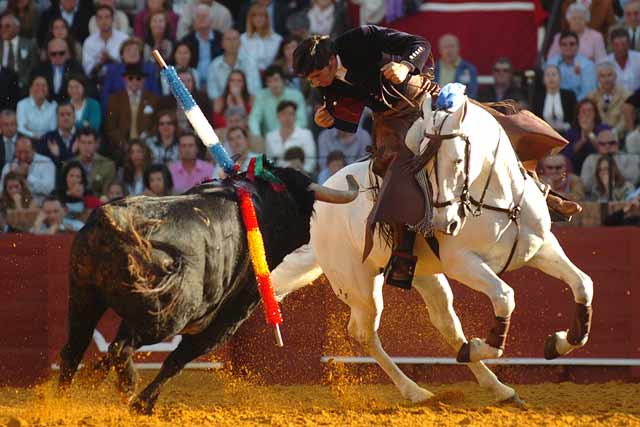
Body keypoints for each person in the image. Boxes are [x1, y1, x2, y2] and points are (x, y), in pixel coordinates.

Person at [293, 27, 439, 288]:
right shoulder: (324, 84)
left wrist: (405, 66)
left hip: (420, 95)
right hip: (389, 120)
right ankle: (403, 249)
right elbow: (342, 116)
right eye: (310, 80)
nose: (314, 83)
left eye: (316, 76)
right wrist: (326, 119)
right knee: (386, 166)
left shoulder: (360, 38)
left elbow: (421, 41)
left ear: (331, 61)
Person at [105, 62, 159, 159]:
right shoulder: (114, 99)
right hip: (121, 147)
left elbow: (155, 124)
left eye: (138, 78)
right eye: (130, 78)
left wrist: (145, 140)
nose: (134, 81)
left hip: (146, 146)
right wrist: (124, 145)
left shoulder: (152, 99)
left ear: (143, 80)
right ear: (124, 79)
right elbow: (111, 128)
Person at [101, 37, 161, 108]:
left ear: (140, 54)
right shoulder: (112, 70)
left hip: (144, 108)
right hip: (119, 108)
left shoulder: (149, 69)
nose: (132, 52)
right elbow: (105, 96)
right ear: (122, 55)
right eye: (128, 50)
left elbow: (155, 94)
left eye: (136, 50)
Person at [249, 64, 307, 136]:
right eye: (269, 81)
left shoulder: (296, 95)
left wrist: (289, 133)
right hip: (270, 139)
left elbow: (302, 121)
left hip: (294, 135)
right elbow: (254, 119)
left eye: (276, 80)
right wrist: (257, 135)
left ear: (283, 80)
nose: (274, 84)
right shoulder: (261, 96)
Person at [580, 128, 639, 195]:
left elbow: (634, 179)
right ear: (597, 145)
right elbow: (585, 183)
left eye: (611, 143)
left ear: (617, 144)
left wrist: (613, 170)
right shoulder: (590, 160)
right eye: (603, 144)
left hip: (624, 193)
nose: (607, 146)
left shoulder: (629, 158)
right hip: (597, 194)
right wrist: (602, 180)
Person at [206, 29, 261, 100]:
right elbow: (212, 93)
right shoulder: (214, 65)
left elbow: (255, 89)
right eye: (228, 39)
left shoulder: (250, 62)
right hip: (223, 103)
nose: (232, 42)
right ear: (222, 44)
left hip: (246, 102)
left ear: (240, 43)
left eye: (235, 39)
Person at [178, 4, 223, 88]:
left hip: (216, 81)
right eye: (198, 17)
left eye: (204, 16)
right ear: (194, 21)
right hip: (194, 82)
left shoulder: (220, 39)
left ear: (211, 20)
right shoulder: (186, 40)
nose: (201, 19)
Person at [0, 135, 55, 203]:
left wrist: (27, 176)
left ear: (34, 150)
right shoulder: (8, 166)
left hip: (39, 207)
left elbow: (48, 189)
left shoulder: (46, 162)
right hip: (13, 207)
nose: (23, 156)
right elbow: (1, 191)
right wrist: (10, 179)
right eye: (19, 152)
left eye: (26, 152)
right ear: (15, 151)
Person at [265, 100, 316, 173]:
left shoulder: (306, 134)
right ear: (278, 116)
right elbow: (269, 161)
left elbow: (311, 163)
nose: (287, 117)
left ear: (295, 116)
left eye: (291, 114)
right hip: (278, 177)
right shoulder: (270, 136)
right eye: (283, 114)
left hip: (300, 175)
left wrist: (301, 170)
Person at [546, 30, 597, 101]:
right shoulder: (551, 64)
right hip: (556, 102)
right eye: (564, 44)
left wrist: (573, 104)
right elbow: (547, 87)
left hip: (578, 105)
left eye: (572, 44)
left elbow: (588, 92)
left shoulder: (587, 65)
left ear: (578, 46)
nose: (568, 47)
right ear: (560, 47)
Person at [31, 38, 84, 103]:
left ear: (67, 53)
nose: (57, 56)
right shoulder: (39, 68)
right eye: (53, 54)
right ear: (48, 54)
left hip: (69, 105)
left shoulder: (75, 67)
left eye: (61, 53)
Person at [564, 99, 610, 174]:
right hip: (575, 170)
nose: (587, 114)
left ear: (595, 114)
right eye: (583, 111)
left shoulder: (604, 129)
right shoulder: (571, 132)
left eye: (590, 110)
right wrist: (582, 140)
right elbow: (566, 156)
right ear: (578, 115)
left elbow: (607, 151)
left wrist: (590, 134)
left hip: (600, 168)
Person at [81, 5, 128, 78]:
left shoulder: (124, 39)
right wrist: (101, 63)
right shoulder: (89, 42)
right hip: (97, 81)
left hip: (120, 79)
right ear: (96, 21)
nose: (104, 21)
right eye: (100, 18)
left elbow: (127, 66)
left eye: (107, 17)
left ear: (112, 19)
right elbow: (88, 72)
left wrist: (109, 60)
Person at [587, 62, 630, 137]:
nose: (606, 79)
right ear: (598, 79)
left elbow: (626, 119)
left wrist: (614, 132)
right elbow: (588, 119)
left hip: (619, 135)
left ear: (615, 76)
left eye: (609, 75)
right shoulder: (591, 97)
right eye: (602, 76)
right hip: (596, 136)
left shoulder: (626, 95)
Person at [70, 127, 116, 197]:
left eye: (90, 143)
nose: (86, 146)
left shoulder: (108, 165)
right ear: (78, 143)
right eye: (83, 142)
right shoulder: (70, 164)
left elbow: (106, 194)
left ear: (96, 144)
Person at [533, 64, 577, 132]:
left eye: (554, 74)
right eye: (547, 75)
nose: (551, 78)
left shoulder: (569, 96)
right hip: (544, 134)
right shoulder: (537, 98)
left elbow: (574, 119)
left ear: (560, 78)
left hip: (566, 134)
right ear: (543, 80)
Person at [0, 13, 39, 90]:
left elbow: (33, 67)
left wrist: (21, 83)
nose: (3, 29)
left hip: (22, 86)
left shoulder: (30, 45)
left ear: (17, 28)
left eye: (7, 26)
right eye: (1, 26)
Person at [240, 4, 283, 72]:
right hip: (249, 75)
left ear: (267, 18)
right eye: (255, 16)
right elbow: (243, 62)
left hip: (271, 76)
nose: (258, 19)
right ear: (250, 19)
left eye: (261, 16)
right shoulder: (243, 39)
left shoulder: (278, 39)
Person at [434, 34, 478, 98]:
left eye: (452, 46)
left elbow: (472, 94)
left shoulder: (469, 69)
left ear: (458, 48)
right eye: (446, 47)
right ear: (440, 50)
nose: (449, 50)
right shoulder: (432, 69)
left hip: (460, 106)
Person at [38, 103, 77, 167]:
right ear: (56, 118)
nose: (66, 118)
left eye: (69, 114)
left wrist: (59, 155)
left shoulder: (83, 137)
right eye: (62, 115)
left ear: (74, 116)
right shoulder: (47, 139)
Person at [604, 28, 640, 94]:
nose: (620, 48)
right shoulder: (605, 62)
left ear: (629, 44)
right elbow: (603, 87)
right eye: (616, 45)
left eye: (624, 44)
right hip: (614, 99)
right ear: (612, 45)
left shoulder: (638, 58)